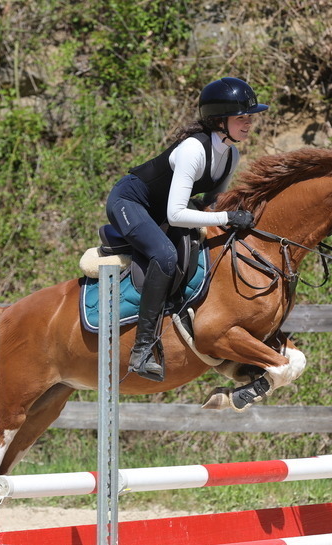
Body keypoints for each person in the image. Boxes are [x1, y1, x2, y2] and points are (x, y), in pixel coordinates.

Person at [106, 76, 269, 381]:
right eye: (242, 117)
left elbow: (211, 203)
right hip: (129, 202)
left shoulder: (231, 154)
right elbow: (177, 214)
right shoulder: (194, 149)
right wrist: (227, 218)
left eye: (250, 117)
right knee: (165, 256)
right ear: (220, 120)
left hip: (163, 209)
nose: (249, 123)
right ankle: (141, 351)